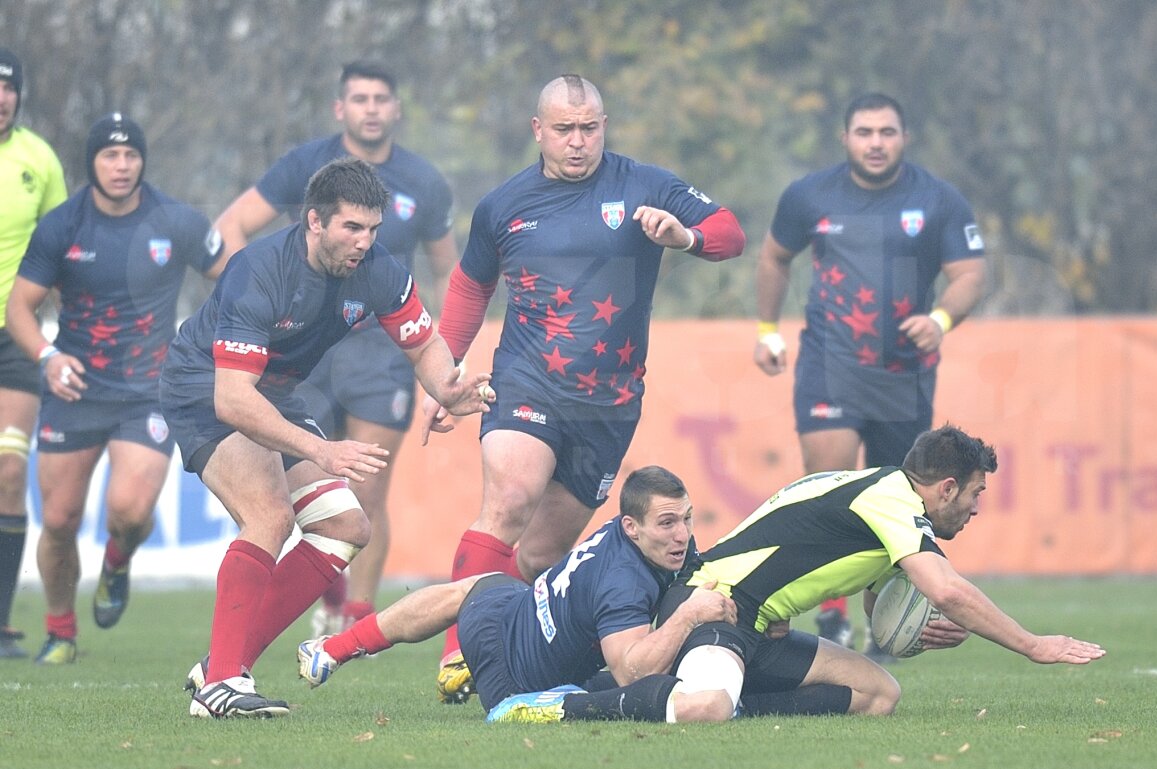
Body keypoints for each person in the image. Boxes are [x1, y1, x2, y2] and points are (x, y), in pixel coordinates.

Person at [427, 74, 746, 701]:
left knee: (544, 556)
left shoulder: (647, 186)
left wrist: (686, 238)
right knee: (511, 496)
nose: (578, 141)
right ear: (537, 130)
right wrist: (445, 376)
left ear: (605, 125)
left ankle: (505, 649)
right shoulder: (503, 206)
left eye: (590, 128)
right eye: (565, 129)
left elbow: (730, 232)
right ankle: (457, 651)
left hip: (608, 404)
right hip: (526, 381)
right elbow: (469, 287)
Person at [162, 157, 492, 719]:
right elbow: (233, 399)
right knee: (269, 516)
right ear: (314, 221)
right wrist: (320, 448)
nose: (364, 242)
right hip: (205, 389)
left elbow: (423, 342)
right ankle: (221, 686)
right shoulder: (259, 270)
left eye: (373, 230)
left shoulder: (379, 270)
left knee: (347, 527)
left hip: (274, 394)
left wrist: (447, 388)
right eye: (351, 228)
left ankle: (224, 662)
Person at [563, 425, 1102, 724]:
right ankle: (568, 706)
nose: (976, 508)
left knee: (878, 695)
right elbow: (947, 589)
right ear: (946, 487)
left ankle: (737, 698)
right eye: (975, 493)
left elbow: (879, 604)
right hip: (716, 605)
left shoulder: (881, 495)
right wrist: (1034, 645)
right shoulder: (890, 501)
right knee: (708, 709)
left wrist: (908, 631)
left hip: (760, 623)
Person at [214, 60, 458, 637]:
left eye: (381, 98)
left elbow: (449, 272)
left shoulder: (423, 181)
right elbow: (231, 226)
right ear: (339, 108)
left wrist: (445, 367)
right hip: (305, 354)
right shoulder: (306, 165)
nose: (371, 108)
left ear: (396, 109)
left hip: (381, 350)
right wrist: (247, 304)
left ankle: (356, 617)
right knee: (293, 491)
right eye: (360, 98)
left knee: (365, 487)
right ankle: (312, 607)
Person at [752, 93, 987, 658]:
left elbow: (970, 273)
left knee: (901, 493)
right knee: (828, 480)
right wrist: (766, 329)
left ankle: (884, 619)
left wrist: (940, 318)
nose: (875, 142)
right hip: (829, 365)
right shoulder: (809, 195)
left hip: (903, 374)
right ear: (846, 138)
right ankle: (830, 616)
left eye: (886, 131)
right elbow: (773, 258)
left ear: (903, 137)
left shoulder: (936, 199)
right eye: (864, 132)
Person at [6, 113, 225, 664]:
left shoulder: (175, 220)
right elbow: (18, 307)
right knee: (58, 519)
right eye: (110, 156)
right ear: (93, 163)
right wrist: (48, 356)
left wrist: (209, 340)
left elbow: (232, 275)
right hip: (74, 387)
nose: (122, 166)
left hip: (147, 390)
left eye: (131, 156)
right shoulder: (62, 225)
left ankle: (117, 561)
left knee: (128, 510)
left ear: (143, 161)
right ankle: (60, 632)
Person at [296, 466, 746, 722]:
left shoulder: (636, 537)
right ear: (631, 526)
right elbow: (631, 670)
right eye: (668, 523)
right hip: (513, 681)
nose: (682, 535)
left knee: (471, 590)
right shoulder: (623, 581)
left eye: (687, 519)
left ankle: (331, 651)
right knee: (629, 686)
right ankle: (541, 707)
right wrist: (687, 617)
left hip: (514, 611)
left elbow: (704, 564)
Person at [0, 46, 67, 659]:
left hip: (15, 337)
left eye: (6, 87)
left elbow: (65, 251)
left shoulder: (38, 159)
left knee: (9, 468)